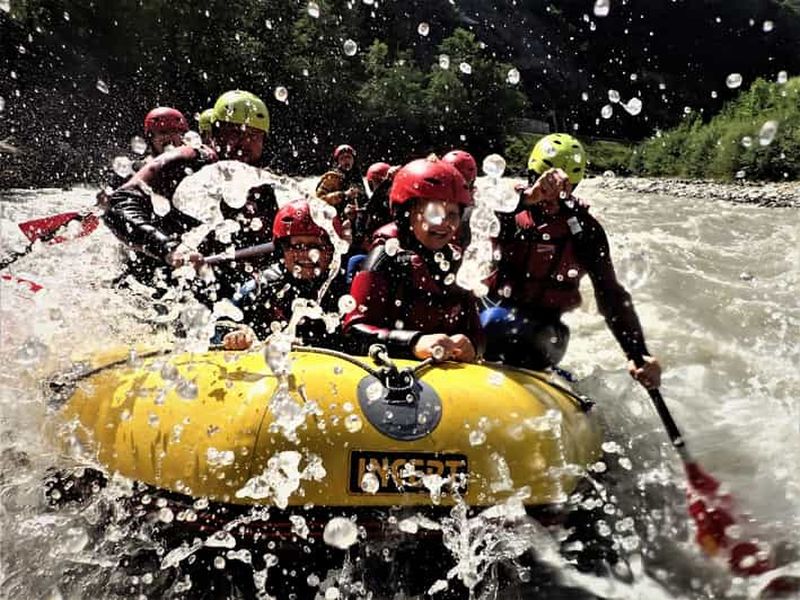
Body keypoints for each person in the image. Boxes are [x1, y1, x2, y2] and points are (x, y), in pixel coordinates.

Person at [483, 133, 661, 389]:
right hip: (487, 310)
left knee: (499, 324)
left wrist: (637, 353)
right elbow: (463, 224)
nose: (551, 198)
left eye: (562, 191)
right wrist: (528, 198)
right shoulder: (506, 209)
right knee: (491, 320)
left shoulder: (584, 232)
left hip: (544, 329)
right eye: (545, 187)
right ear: (531, 177)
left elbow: (610, 295)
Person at [103, 90, 274, 301]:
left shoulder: (263, 186)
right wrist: (169, 249)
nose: (244, 143)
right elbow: (118, 205)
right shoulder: (184, 160)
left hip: (219, 287)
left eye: (254, 136)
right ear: (213, 134)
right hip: (157, 281)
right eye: (235, 132)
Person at [343, 157, 482, 362]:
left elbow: (476, 330)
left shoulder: (456, 260)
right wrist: (413, 343)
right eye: (434, 212)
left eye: (452, 215)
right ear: (406, 212)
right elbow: (353, 332)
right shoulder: (385, 258)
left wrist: (472, 345)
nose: (444, 224)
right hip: (394, 372)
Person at [222, 200, 348, 351]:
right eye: (297, 246)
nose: (306, 254)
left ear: (331, 251)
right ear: (282, 250)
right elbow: (222, 323)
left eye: (316, 246)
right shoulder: (260, 288)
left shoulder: (345, 289)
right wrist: (236, 334)